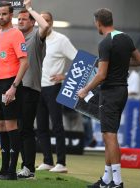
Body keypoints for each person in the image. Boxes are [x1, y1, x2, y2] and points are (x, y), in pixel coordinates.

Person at [77, 8, 140, 188]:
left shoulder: (105, 43)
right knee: (108, 134)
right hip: (122, 91)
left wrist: (85, 89)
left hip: (110, 93)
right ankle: (107, 179)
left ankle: (117, 181)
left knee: (110, 135)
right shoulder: (126, 38)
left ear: (98, 22)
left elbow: (101, 75)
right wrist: (121, 63)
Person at [0, 2, 29, 180]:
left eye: (4, 14)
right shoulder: (0, 33)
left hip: (10, 84)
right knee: (1, 125)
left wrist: (14, 87)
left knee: (11, 126)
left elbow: (25, 63)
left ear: (11, 15)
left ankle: (11, 171)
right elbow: (2, 58)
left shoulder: (16, 34)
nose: (1, 17)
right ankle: (3, 169)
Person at [11, 0, 49, 179]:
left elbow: (45, 26)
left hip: (30, 88)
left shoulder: (36, 36)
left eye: (25, 18)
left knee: (26, 128)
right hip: (15, 87)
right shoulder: (15, 36)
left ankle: (29, 168)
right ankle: (21, 166)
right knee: (17, 129)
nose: (20, 21)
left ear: (33, 22)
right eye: (19, 18)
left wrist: (30, 8)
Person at [36, 11, 77, 173]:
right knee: (41, 127)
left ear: (51, 23)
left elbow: (78, 59)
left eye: (47, 20)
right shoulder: (35, 38)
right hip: (37, 87)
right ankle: (47, 160)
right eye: (42, 20)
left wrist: (64, 76)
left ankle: (61, 162)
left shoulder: (61, 40)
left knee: (57, 125)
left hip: (53, 88)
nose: (44, 23)